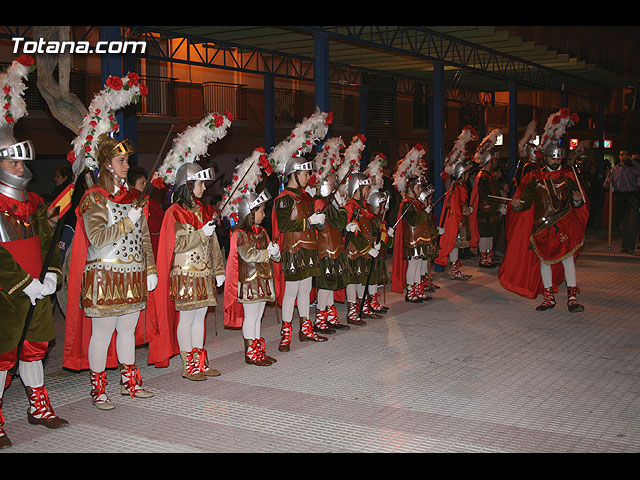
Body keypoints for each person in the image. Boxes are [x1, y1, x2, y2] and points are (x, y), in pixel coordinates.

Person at [63, 133, 158, 409]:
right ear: (107, 164)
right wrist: (128, 222)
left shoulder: (135, 198)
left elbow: (144, 239)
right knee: (102, 333)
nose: (126, 165)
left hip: (133, 273)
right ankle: (98, 389)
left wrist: (150, 268)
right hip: (105, 276)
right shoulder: (94, 198)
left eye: (127, 160)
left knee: (127, 332)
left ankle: (129, 382)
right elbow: (97, 238)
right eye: (121, 160)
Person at [0, 124, 68, 448]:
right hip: (6, 293)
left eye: (21, 163)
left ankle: (38, 406)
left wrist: (51, 272)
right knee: (2, 355)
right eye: (13, 163)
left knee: (35, 348)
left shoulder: (35, 201)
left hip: (38, 289)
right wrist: (23, 283)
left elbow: (47, 242)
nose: (20, 169)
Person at [152, 163, 225, 380]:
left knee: (200, 317)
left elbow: (212, 244)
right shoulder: (175, 212)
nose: (204, 188)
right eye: (200, 183)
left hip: (203, 272)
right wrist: (202, 233)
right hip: (185, 273)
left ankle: (200, 361)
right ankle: (188, 364)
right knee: (186, 318)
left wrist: (218, 270)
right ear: (188, 184)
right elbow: (177, 245)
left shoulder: (203, 210)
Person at [500, 138, 589, 312]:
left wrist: (578, 202)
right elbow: (525, 201)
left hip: (564, 223)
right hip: (542, 226)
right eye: (553, 158)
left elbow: (575, 200)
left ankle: (572, 298)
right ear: (545, 158)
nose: (556, 161)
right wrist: (518, 205)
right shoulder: (533, 177)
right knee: (544, 261)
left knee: (568, 259)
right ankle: (549, 298)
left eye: (558, 158)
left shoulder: (569, 176)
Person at [272, 154, 328, 351]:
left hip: (309, 247)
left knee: (306, 290)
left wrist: (318, 222)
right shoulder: (283, 199)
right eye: (305, 174)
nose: (308, 177)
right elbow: (285, 225)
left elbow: (311, 221)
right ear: (293, 175)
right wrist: (309, 221)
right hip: (293, 248)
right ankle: (286, 333)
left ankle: (305, 328)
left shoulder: (307, 197)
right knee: (291, 291)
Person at [224, 188, 280, 366]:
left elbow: (271, 253)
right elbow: (248, 254)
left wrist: (276, 252)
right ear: (250, 213)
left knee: (259, 316)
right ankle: (250, 352)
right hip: (248, 282)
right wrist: (267, 253)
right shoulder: (240, 234)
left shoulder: (262, 231)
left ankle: (258, 349)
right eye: (261, 211)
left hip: (263, 280)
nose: (264, 214)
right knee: (251, 316)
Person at [311, 138, 350, 333]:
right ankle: (320, 320)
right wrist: (342, 210)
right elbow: (338, 222)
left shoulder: (327, 202)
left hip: (333, 248)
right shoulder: (320, 202)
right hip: (325, 250)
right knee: (325, 287)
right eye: (332, 181)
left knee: (331, 285)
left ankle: (329, 315)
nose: (334, 185)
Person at [390, 144, 435, 302]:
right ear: (411, 187)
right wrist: (425, 212)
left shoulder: (416, 203)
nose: (420, 190)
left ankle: (417, 289)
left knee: (418, 264)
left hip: (419, 239)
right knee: (413, 265)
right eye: (418, 187)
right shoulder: (407, 204)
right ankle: (410, 292)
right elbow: (414, 220)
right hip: (412, 240)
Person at [343, 172, 380, 322]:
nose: (368, 191)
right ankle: (352, 311)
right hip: (354, 249)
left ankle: (363, 306)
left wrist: (375, 241)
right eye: (366, 188)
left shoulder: (365, 206)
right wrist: (367, 248)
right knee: (352, 280)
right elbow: (353, 234)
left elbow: (369, 227)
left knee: (362, 279)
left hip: (364, 249)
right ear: (357, 188)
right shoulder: (350, 206)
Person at [469, 129, 505, 269]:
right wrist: (498, 207)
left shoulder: (487, 175)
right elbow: (487, 196)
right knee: (485, 236)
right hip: (485, 210)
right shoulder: (483, 176)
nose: (496, 162)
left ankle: (488, 257)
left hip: (490, 211)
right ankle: (484, 258)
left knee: (489, 235)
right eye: (494, 160)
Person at [434, 161, 473, 280]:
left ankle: (455, 269)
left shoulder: (460, 186)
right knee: (453, 244)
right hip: (454, 219)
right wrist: (464, 211)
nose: (468, 176)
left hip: (458, 219)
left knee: (455, 244)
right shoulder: (456, 187)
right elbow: (456, 206)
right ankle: (454, 271)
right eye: (466, 174)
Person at [603, 149, 640, 253]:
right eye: (621, 155)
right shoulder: (615, 169)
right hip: (620, 197)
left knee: (632, 221)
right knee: (622, 222)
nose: (623, 156)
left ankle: (630, 246)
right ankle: (625, 244)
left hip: (633, 196)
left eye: (625, 154)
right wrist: (609, 181)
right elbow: (605, 184)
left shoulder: (634, 167)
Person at [128, 166, 165, 260]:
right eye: (142, 183)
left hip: (154, 246)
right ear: (132, 186)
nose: (145, 186)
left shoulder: (151, 203)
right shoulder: (129, 203)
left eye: (146, 183)